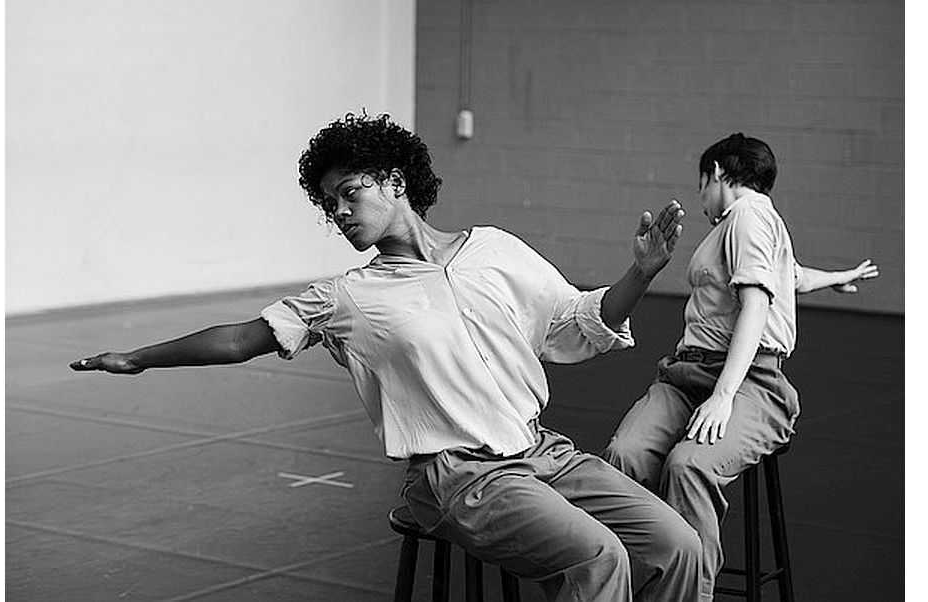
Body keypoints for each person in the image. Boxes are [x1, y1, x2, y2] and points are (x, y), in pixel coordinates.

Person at [72, 112, 713, 601]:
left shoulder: (494, 249)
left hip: (542, 452)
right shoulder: (348, 297)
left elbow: (578, 322)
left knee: (678, 545)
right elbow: (245, 338)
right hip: (459, 477)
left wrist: (641, 271)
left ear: (396, 181)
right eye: (329, 205)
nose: (340, 212)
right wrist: (138, 357)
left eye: (350, 193)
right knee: (597, 557)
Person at [601, 133, 880, 599]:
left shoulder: (748, 216)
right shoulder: (748, 225)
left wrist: (724, 396)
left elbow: (755, 304)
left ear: (715, 175)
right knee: (623, 458)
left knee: (689, 466)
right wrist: (837, 278)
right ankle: (629, 583)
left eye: (701, 185)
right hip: (685, 375)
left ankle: (688, 593)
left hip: (748, 379)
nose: (700, 198)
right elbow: (789, 276)